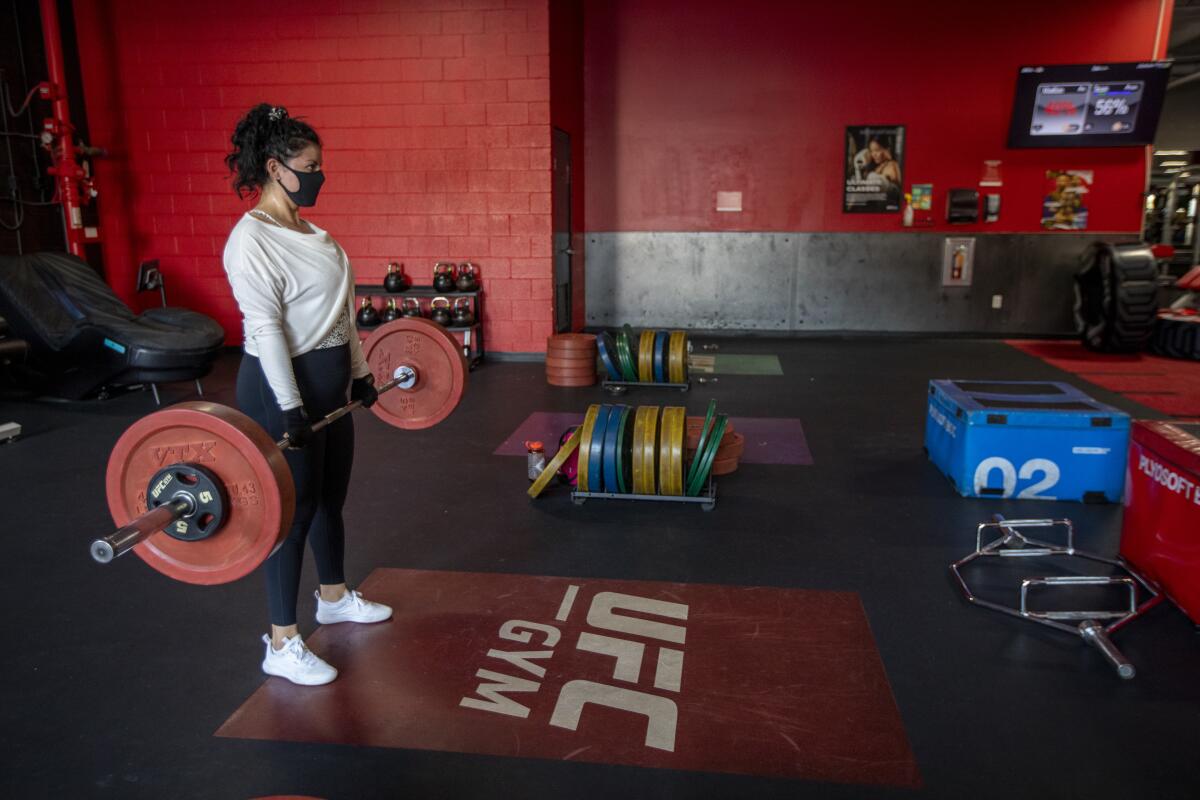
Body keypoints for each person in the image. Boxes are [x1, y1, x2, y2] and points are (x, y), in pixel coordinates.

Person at [222, 103, 391, 686]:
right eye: (310, 165)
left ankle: (335, 597)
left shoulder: (319, 236)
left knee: (328, 501)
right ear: (275, 167)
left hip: (330, 387)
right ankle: (281, 640)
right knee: (290, 515)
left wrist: (363, 371)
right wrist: (290, 407)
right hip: (280, 391)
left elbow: (342, 317)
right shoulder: (252, 240)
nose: (319, 175)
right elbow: (266, 330)